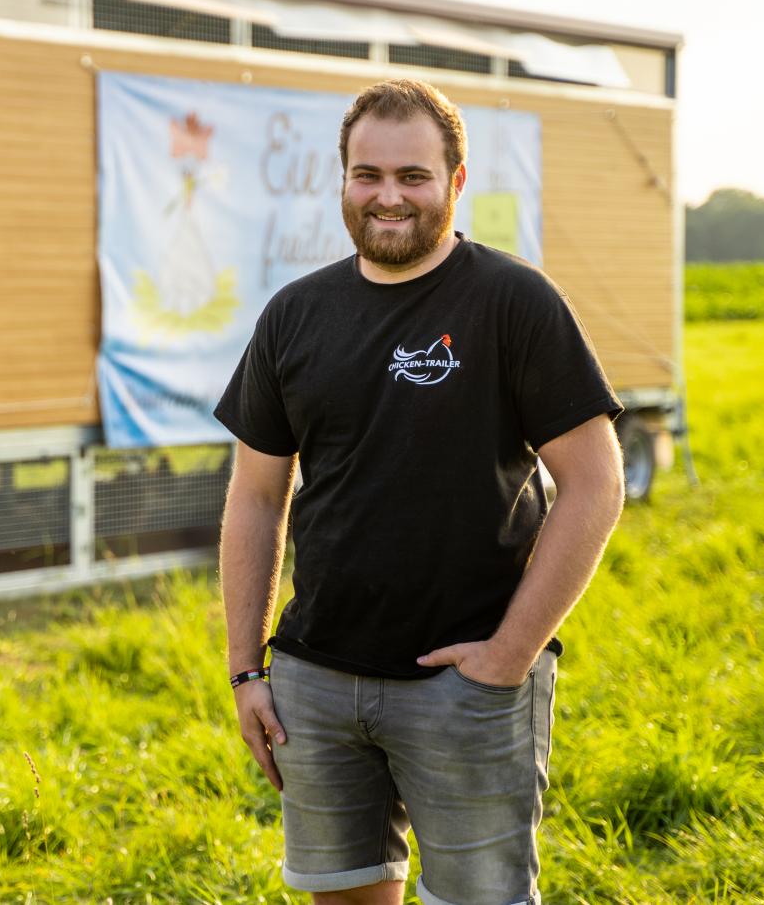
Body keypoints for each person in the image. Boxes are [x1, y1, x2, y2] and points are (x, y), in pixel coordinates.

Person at [215, 78, 626, 905]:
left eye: (413, 176)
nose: (388, 196)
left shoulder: (513, 302)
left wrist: (508, 656)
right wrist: (246, 671)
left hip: (466, 684)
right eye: (368, 175)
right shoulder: (294, 316)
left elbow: (595, 483)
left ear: (456, 181)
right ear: (342, 180)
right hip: (315, 686)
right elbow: (257, 496)